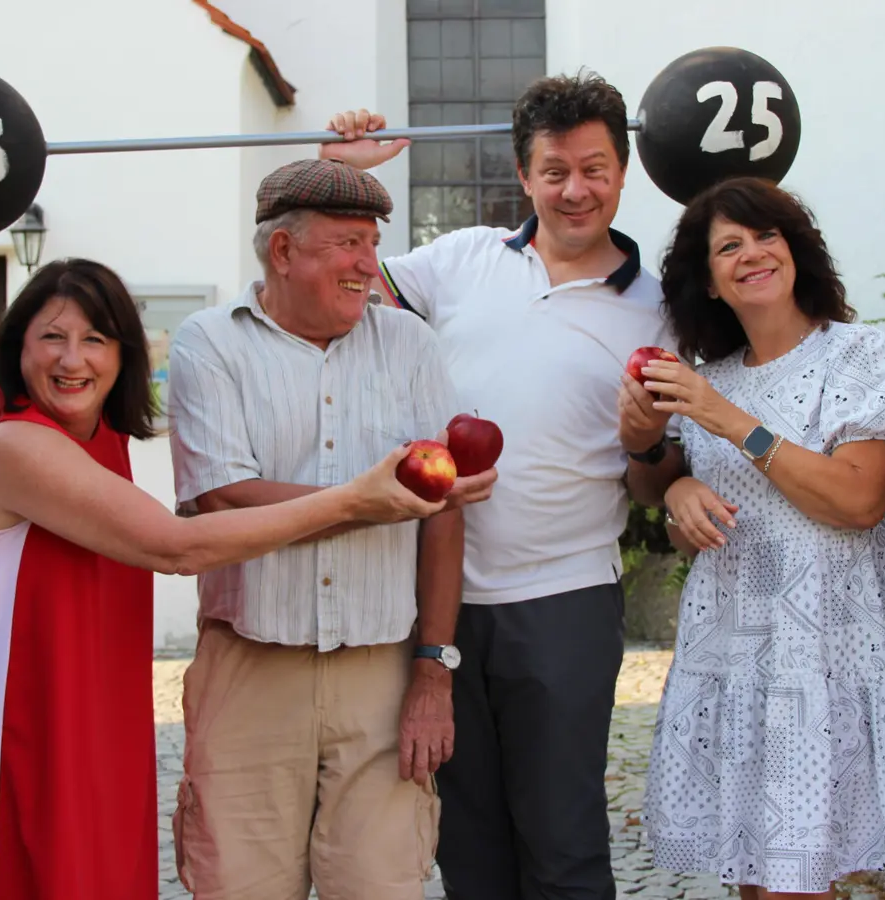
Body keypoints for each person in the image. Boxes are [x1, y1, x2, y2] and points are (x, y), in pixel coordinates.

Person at [0, 256, 447, 900]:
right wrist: (358, 500)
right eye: (52, 337)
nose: (72, 360)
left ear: (123, 354)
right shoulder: (11, 445)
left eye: (95, 340)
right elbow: (178, 547)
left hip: (69, 692)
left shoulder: (101, 441)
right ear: (17, 349)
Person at [322, 71, 683, 900]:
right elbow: (339, 297)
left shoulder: (660, 311)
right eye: (554, 170)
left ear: (623, 171)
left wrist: (648, 443)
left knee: (563, 850)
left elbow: (657, 484)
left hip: (564, 601)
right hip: (433, 599)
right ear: (524, 176)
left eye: (594, 168)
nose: (575, 189)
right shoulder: (460, 261)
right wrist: (345, 177)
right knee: (469, 846)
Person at [166, 158, 495, 900]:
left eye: (372, 245)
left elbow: (443, 514)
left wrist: (432, 672)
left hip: (382, 673)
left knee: (382, 887)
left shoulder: (409, 344)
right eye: (348, 244)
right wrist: (363, 501)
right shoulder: (210, 342)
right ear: (283, 252)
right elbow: (221, 501)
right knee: (238, 887)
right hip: (248, 670)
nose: (367, 266)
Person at [632, 177, 885, 899]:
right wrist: (679, 495)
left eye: (766, 236)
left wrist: (731, 422)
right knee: (758, 881)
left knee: (798, 883)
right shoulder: (706, 382)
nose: (752, 253)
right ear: (711, 283)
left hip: (831, 658)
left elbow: (857, 501)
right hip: (740, 659)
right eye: (729, 247)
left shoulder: (859, 356)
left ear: (797, 252)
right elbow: (705, 529)